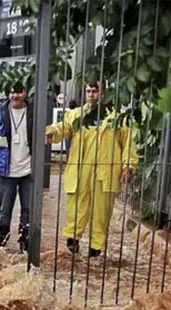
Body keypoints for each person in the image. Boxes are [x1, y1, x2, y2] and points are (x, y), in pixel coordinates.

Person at [46, 81, 138, 257]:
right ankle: (72, 248)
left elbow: (128, 144)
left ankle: (95, 252)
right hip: (81, 172)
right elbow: (62, 128)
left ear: (104, 93)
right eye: (88, 91)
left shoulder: (118, 117)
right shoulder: (76, 115)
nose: (91, 94)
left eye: (95, 91)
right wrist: (51, 132)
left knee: (101, 214)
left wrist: (128, 166)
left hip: (105, 173)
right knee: (75, 210)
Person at [0, 83, 34, 252]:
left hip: (29, 170)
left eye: (19, 92)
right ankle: (1, 241)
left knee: (28, 208)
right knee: (5, 209)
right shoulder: (0, 114)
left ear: (26, 93)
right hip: (7, 171)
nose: (15, 96)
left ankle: (25, 243)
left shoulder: (34, 112)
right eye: (12, 93)